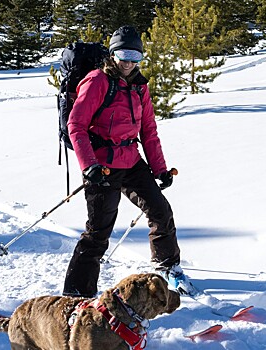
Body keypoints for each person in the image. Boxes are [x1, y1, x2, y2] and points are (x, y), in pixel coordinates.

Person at [62, 25, 194, 297]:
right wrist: (89, 166)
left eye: (135, 56)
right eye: (123, 54)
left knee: (160, 210)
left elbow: (148, 130)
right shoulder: (97, 81)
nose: (129, 62)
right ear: (113, 54)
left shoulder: (139, 86)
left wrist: (160, 169)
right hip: (102, 166)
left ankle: (167, 266)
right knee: (98, 233)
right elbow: (76, 125)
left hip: (131, 161)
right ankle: (76, 294)